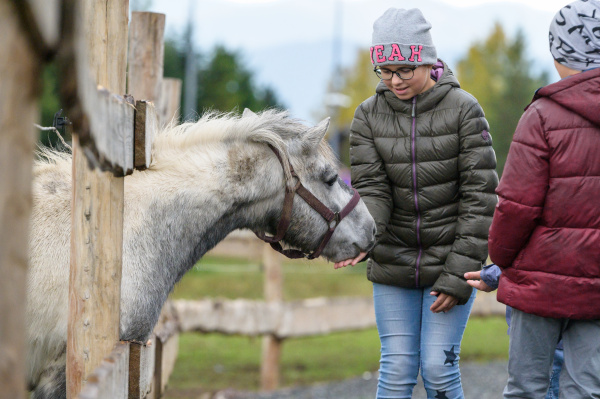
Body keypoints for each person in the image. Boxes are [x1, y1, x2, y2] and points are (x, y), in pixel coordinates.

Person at [334, 8, 498, 398]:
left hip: (452, 259)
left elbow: (480, 198)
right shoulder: (367, 117)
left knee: (438, 372)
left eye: (403, 69)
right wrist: (364, 237)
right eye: (384, 71)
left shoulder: (464, 110)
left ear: (425, 58)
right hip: (393, 260)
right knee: (397, 369)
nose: (393, 80)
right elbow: (373, 188)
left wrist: (459, 273)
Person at [486, 0, 600, 397]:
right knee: (586, 389)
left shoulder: (541, 115)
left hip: (538, 281)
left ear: (559, 52)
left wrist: (499, 259)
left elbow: (517, 205)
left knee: (527, 387)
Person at [464, 266, 563, 399]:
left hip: (539, 315)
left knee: (526, 392)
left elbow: (526, 251)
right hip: (579, 316)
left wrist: (496, 274)